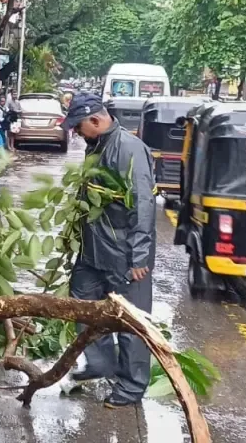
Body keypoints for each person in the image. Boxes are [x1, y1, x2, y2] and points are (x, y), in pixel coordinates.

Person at [59, 92, 158, 408]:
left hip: (124, 254)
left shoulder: (128, 149)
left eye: (78, 127)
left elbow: (143, 205)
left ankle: (131, 386)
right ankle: (102, 363)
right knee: (82, 302)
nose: (76, 133)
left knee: (129, 320)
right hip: (93, 251)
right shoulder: (96, 146)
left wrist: (140, 256)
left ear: (96, 120)